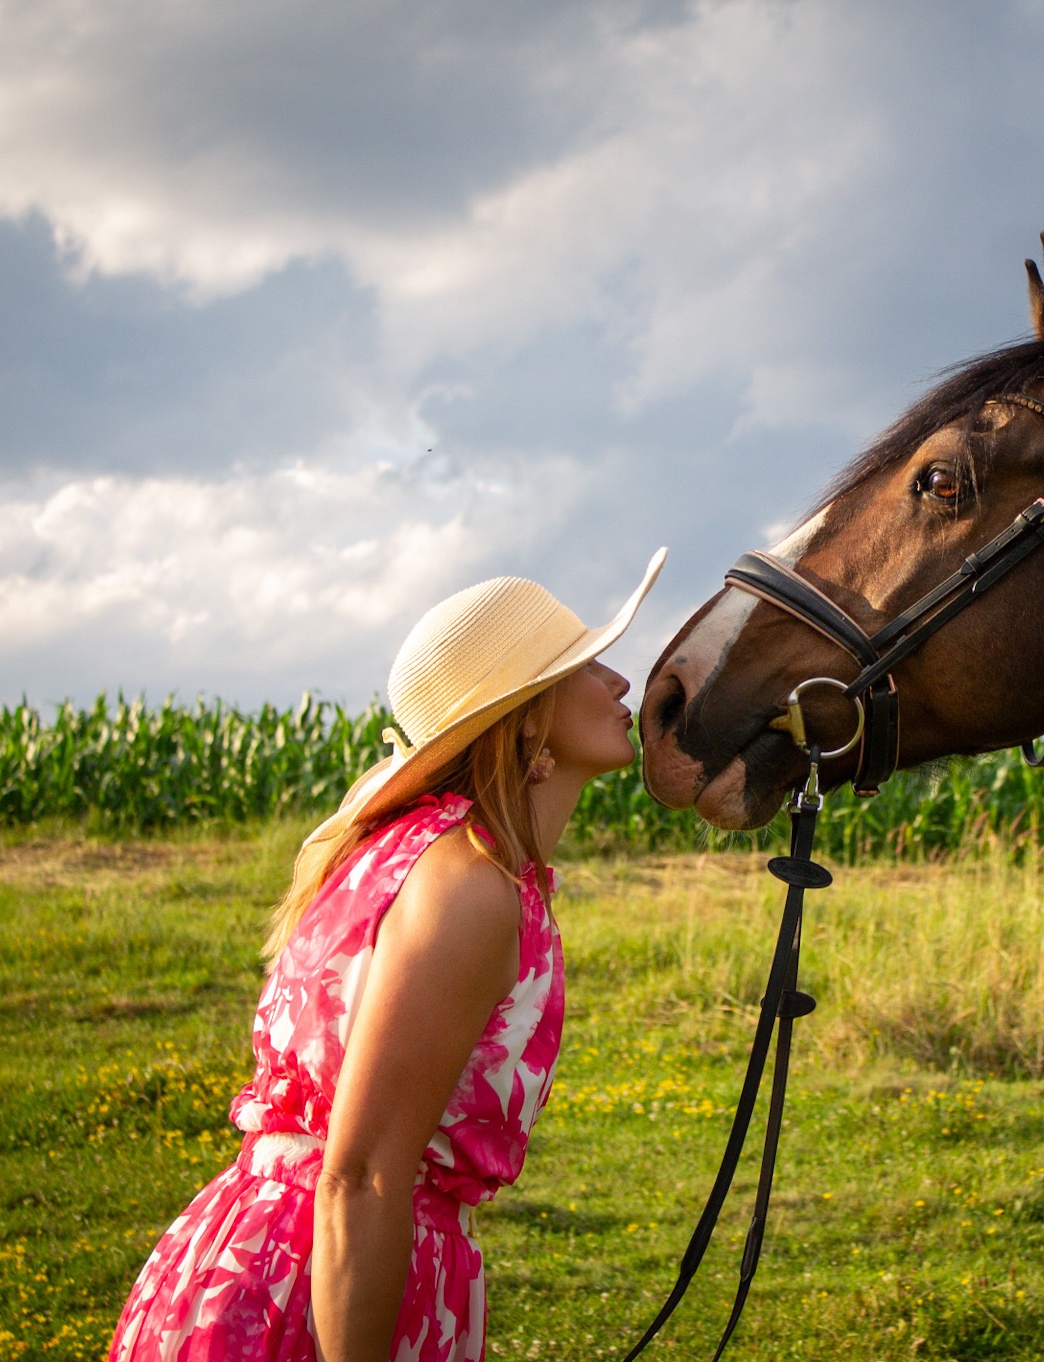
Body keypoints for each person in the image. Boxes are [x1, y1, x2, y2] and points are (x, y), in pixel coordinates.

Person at [109, 550, 666, 1362]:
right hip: (323, 1285)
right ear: (528, 716)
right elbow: (362, 1177)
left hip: (278, 1262)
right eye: (584, 664)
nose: (621, 682)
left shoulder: (432, 852)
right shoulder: (468, 886)